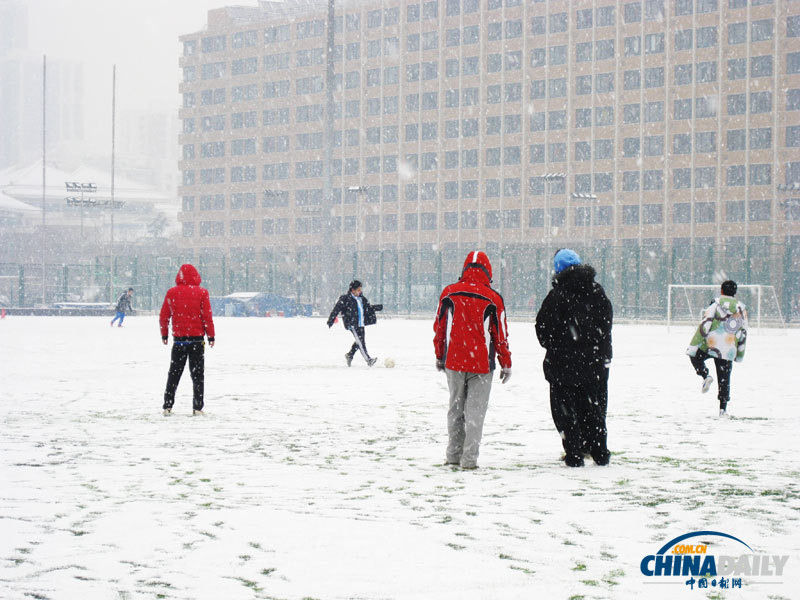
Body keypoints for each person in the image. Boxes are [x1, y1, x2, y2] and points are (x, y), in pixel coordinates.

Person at [433, 251, 512, 470]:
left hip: (454, 361)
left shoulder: (449, 293)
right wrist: (506, 362)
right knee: (475, 413)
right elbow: (500, 335)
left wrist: (440, 355)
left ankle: (452, 455)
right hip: (481, 364)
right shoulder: (493, 298)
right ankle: (469, 460)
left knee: (455, 409)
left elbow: (439, 328)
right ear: (489, 271)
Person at [535, 249, 612, 468]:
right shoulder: (598, 292)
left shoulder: (556, 296)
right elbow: (606, 326)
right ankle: (599, 452)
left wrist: (558, 344)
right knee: (594, 410)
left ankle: (574, 454)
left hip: (562, 367)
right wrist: (602, 354)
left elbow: (542, 330)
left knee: (565, 413)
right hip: (594, 366)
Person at [159, 264, 215, 416]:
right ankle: (197, 407)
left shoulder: (172, 292)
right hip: (197, 341)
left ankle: (168, 406)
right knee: (197, 376)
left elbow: (164, 315)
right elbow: (207, 316)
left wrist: (164, 334)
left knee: (174, 374)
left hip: (179, 341)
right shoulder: (202, 292)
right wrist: (211, 335)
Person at [686, 280, 747, 417]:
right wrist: (739, 353)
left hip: (711, 345)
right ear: (735, 293)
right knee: (724, 379)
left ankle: (705, 375)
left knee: (695, 356)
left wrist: (695, 344)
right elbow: (743, 331)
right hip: (728, 348)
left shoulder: (715, 305)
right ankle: (723, 409)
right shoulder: (741, 310)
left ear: (721, 291)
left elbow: (705, 325)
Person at [327, 280, 382, 367]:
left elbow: (367, 308)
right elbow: (336, 309)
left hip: (361, 323)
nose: (360, 291)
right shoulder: (345, 299)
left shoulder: (362, 299)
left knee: (359, 341)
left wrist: (376, 307)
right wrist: (331, 319)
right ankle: (368, 360)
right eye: (358, 289)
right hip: (352, 324)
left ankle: (350, 355)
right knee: (361, 342)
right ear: (353, 290)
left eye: (360, 289)